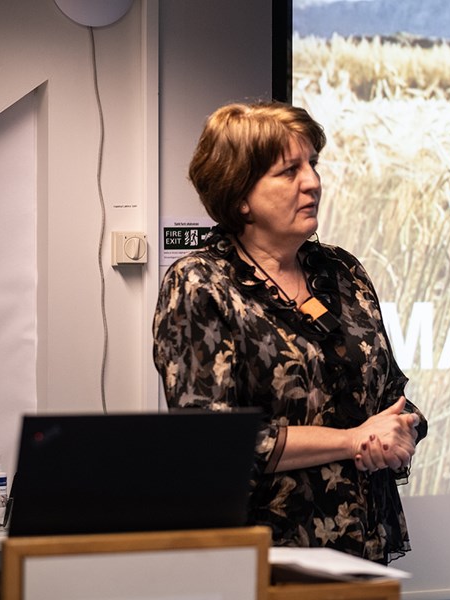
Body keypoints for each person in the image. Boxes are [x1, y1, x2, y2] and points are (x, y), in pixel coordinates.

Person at [152, 102, 427, 564]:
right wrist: (352, 439)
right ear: (240, 195)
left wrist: (404, 430)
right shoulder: (202, 283)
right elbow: (213, 445)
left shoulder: (342, 271)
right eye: (288, 171)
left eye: (313, 165)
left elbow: (392, 396)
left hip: (362, 552)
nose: (313, 182)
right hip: (264, 559)